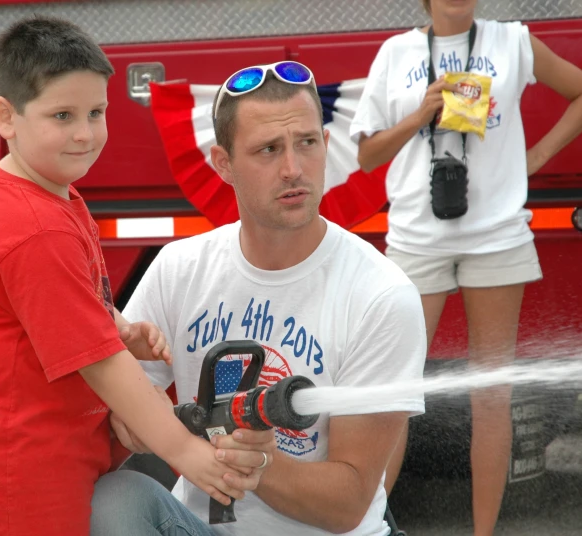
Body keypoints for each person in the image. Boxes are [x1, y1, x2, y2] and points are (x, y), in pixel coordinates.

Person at [0, 16, 267, 536]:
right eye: (63, 115)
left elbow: (57, 307)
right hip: (25, 486)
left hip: (38, 465)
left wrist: (116, 324)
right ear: (5, 116)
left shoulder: (46, 195)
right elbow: (100, 364)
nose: (85, 133)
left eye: (97, 112)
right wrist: (186, 450)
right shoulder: (33, 229)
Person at [90, 60, 427, 536]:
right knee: (114, 501)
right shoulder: (179, 268)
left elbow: (350, 502)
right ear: (222, 163)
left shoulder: (380, 294)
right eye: (268, 150)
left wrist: (262, 462)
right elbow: (111, 408)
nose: (293, 169)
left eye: (307, 143)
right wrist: (124, 417)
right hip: (203, 528)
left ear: (328, 146)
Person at [350, 1, 582, 535]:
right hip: (417, 240)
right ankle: (364, 527)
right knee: (394, 394)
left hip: (497, 238)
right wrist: (421, 115)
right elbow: (368, 156)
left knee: (492, 397)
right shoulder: (396, 53)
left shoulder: (511, 40)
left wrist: (532, 159)